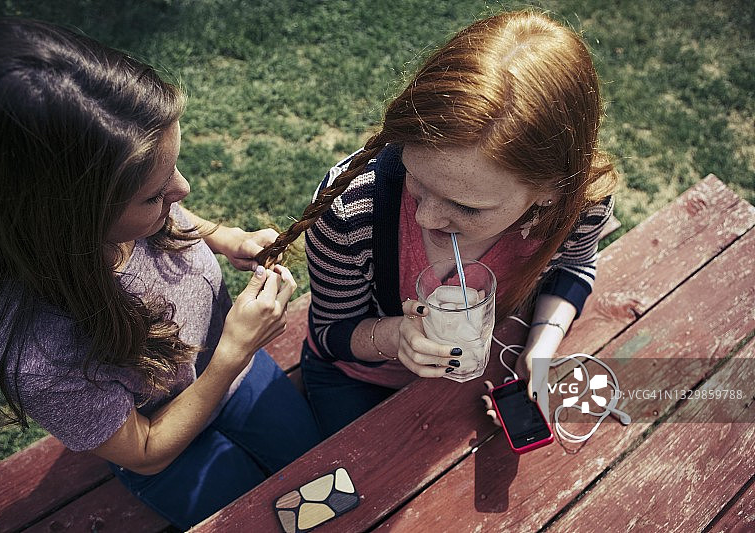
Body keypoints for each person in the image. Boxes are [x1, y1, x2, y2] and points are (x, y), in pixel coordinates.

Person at [0, 19, 320, 529]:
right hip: (166, 443)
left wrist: (227, 237)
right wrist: (234, 350)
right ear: (66, 218)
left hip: (234, 376)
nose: (184, 189)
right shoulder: (39, 355)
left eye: (173, 167)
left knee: (325, 476)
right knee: (261, 522)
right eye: (153, 194)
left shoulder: (131, 215)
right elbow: (146, 451)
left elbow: (177, 218)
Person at [255, 10, 618, 438]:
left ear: (550, 191)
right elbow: (331, 333)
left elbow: (573, 268)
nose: (425, 218)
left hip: (481, 365)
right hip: (358, 379)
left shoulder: (579, 203)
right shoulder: (351, 212)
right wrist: (394, 337)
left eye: (467, 207)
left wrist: (540, 348)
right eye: (416, 181)